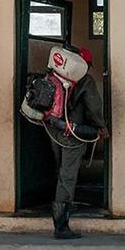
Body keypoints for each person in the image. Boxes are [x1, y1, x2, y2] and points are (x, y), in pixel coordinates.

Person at [48, 47, 108, 239]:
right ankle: (61, 227)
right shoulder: (85, 81)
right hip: (72, 133)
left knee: (60, 171)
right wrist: (101, 126)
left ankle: (58, 214)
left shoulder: (55, 73)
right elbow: (94, 107)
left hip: (53, 128)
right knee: (68, 176)